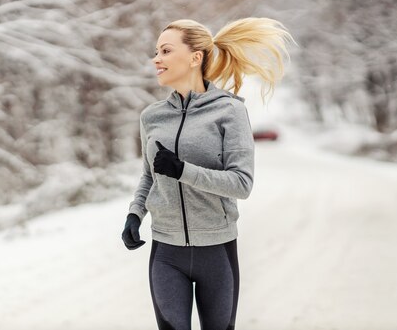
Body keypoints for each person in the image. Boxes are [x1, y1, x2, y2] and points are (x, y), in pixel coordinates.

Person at [121, 17, 295, 330]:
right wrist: (135, 214)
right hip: (166, 252)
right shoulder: (152, 116)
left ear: (195, 57)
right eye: (156, 51)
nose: (156, 58)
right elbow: (150, 175)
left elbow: (241, 184)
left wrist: (183, 170)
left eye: (165, 50)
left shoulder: (229, 111)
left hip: (217, 252)